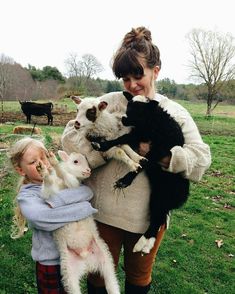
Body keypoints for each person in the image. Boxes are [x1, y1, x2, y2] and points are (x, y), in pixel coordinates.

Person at [61, 26, 211, 293]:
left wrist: (162, 155)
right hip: (101, 213)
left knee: (138, 279)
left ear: (156, 70)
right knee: (99, 277)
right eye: (124, 77)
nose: (131, 84)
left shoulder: (173, 111)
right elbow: (70, 139)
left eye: (138, 74)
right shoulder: (107, 103)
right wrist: (108, 151)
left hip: (145, 218)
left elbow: (200, 160)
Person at [8, 137, 97, 294]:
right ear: (21, 170)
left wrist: (55, 202)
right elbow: (43, 218)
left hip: (71, 257)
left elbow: (87, 191)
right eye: (33, 162)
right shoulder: (27, 196)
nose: (42, 163)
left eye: (43, 157)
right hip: (50, 261)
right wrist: (84, 207)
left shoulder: (59, 181)